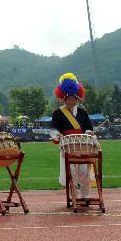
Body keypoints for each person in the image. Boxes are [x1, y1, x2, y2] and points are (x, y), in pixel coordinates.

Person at [49, 73, 94, 205]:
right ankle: (74, 195)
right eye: (69, 98)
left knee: (85, 170)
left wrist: (88, 132)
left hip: (82, 145)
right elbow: (53, 129)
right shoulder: (58, 113)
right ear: (64, 98)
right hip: (67, 146)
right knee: (71, 172)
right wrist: (57, 135)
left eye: (74, 98)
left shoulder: (82, 112)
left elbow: (88, 128)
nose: (71, 101)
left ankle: (85, 195)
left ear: (77, 98)